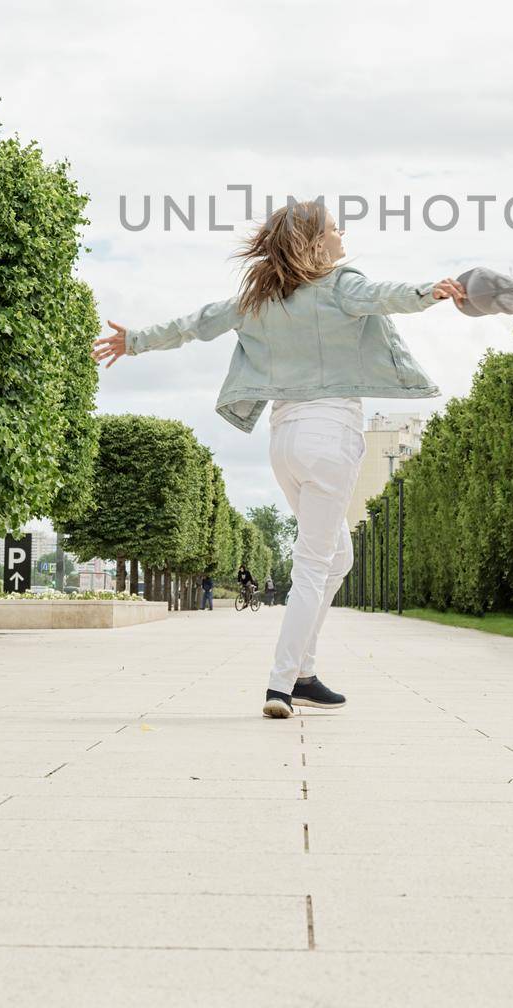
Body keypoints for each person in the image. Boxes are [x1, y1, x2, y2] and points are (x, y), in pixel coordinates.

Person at [92, 199, 465, 719]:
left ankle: (304, 672)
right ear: (315, 243)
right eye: (335, 229)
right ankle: (280, 684)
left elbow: (196, 323)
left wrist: (134, 342)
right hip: (331, 434)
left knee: (339, 557)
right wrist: (432, 291)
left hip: (284, 440)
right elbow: (387, 296)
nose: (343, 234)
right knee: (314, 566)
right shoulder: (340, 285)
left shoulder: (258, 298)